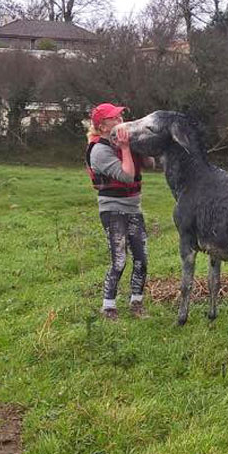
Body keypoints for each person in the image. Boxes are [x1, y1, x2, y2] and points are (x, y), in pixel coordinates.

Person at [85, 102, 153, 319]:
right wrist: (125, 149)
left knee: (142, 258)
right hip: (113, 209)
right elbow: (126, 176)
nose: (120, 120)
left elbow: (151, 164)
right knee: (120, 260)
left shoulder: (126, 142)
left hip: (133, 207)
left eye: (120, 116)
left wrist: (139, 144)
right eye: (114, 118)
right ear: (103, 126)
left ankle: (137, 303)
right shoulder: (99, 151)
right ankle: (108, 307)